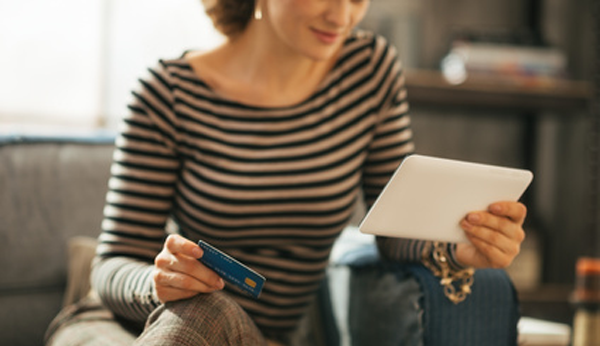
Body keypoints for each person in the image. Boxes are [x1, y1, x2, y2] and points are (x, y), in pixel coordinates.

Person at [45, 0, 527, 345]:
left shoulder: (368, 72)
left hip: (249, 335)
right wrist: (158, 283)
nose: (341, 16)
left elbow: (392, 227)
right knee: (198, 308)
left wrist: (456, 247)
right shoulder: (167, 94)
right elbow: (111, 266)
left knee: (209, 312)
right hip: (118, 327)